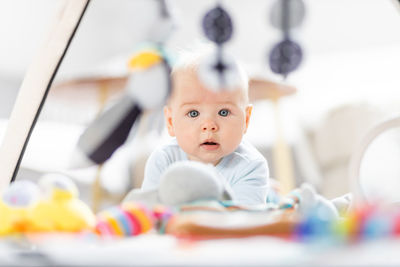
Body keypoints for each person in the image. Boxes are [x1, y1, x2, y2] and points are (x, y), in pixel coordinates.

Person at [141, 49, 269, 206]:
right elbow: (148, 213)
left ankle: (271, 193)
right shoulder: (163, 160)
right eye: (193, 113)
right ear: (170, 121)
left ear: (246, 120)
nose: (209, 125)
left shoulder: (251, 166)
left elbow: (244, 222)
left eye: (224, 112)